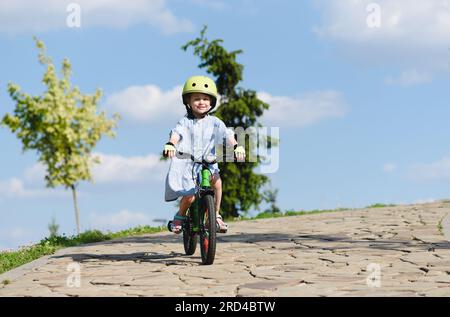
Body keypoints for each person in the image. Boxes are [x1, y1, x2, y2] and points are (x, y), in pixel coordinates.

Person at [163, 75, 245, 234]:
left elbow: (227, 134)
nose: (201, 102)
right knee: (189, 196)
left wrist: (236, 146)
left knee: (217, 183)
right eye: (197, 99)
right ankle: (180, 216)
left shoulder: (215, 122)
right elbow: (177, 134)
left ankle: (216, 215)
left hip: (209, 162)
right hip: (189, 164)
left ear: (212, 102)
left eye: (206, 99)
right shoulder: (185, 122)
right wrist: (171, 144)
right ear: (188, 101)